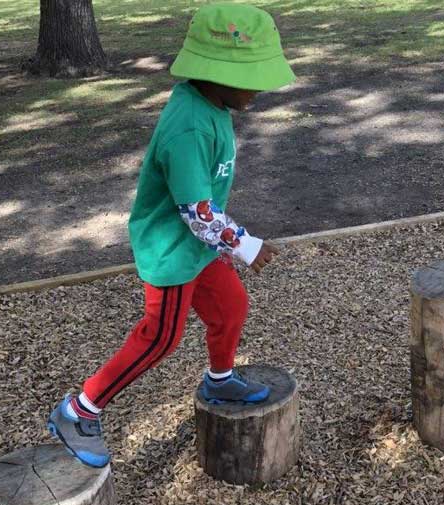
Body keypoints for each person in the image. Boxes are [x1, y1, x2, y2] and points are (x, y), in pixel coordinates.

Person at [47, 3, 295, 468]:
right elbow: (197, 211)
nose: (261, 88)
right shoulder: (188, 127)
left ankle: (218, 380)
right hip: (171, 250)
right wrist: (243, 244)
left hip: (195, 248)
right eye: (252, 76)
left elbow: (203, 211)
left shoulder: (213, 103)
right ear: (214, 73)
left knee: (231, 306)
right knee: (159, 338)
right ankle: (78, 411)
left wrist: (223, 243)